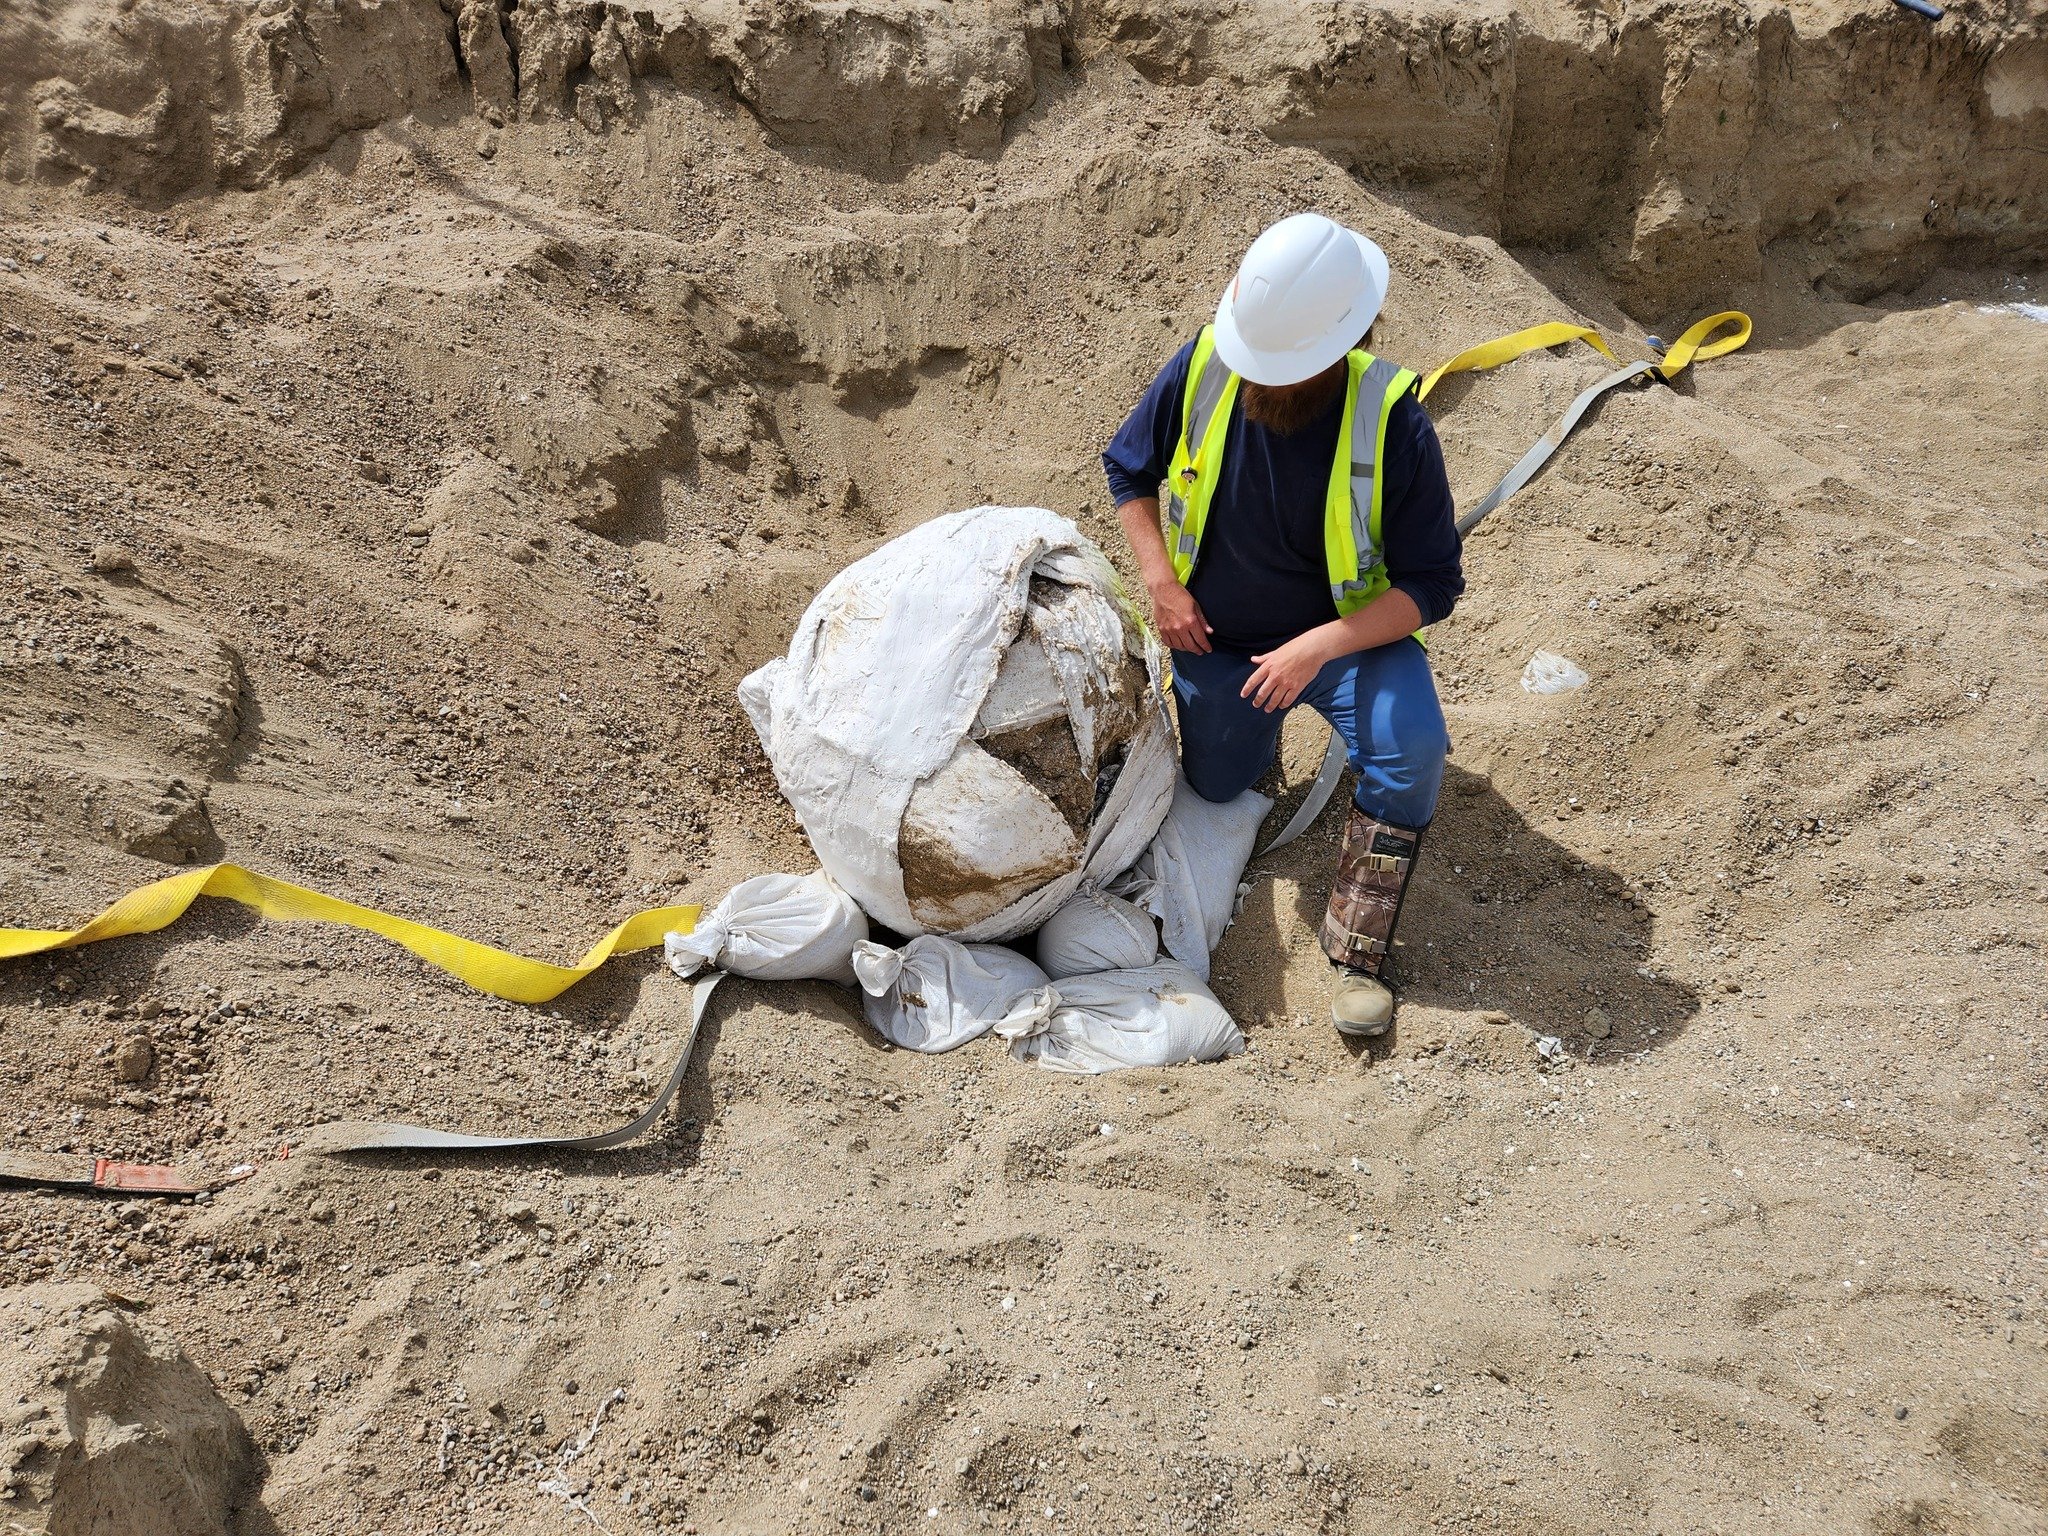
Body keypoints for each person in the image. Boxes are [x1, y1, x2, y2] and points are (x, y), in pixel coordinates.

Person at [1103, 212, 1462, 1037]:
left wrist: (1317, 648)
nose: (1256, 380)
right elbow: (1129, 469)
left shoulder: (1393, 419)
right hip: (1217, 644)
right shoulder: (1205, 363)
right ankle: (1251, 750)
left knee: (1408, 744)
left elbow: (1433, 583)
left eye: (1281, 370)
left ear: (1344, 345)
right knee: (1220, 785)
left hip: (1343, 646)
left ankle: (1358, 948)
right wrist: (1160, 582)